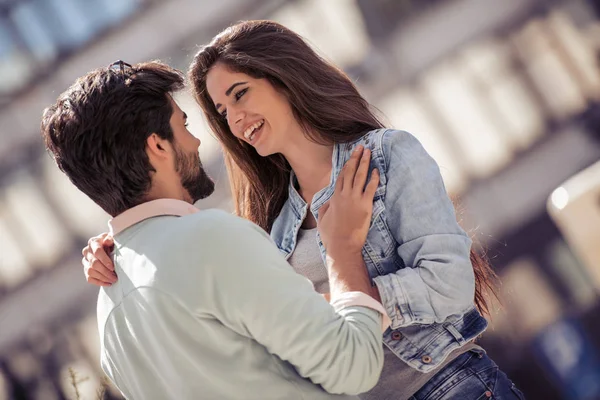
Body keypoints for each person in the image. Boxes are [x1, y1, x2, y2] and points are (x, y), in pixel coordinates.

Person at [84, 21, 526, 400]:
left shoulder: (386, 156)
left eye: (240, 95)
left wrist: (348, 298)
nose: (235, 120)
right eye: (222, 111)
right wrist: (121, 246)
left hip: (450, 387)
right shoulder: (269, 219)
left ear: (285, 78)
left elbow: (451, 282)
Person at [42, 60, 390, 399]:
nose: (195, 142)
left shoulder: (109, 316)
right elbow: (352, 365)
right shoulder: (209, 238)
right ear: (158, 146)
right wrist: (343, 248)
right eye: (185, 125)